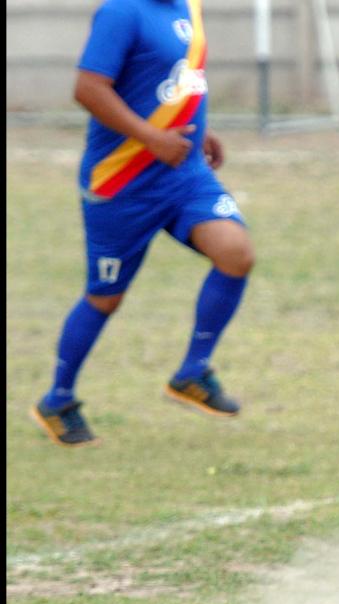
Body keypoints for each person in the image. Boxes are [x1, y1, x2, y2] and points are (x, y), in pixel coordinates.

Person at [30, 0, 253, 447]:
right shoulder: (121, 11)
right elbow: (88, 88)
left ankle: (191, 373)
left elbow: (170, 82)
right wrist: (151, 137)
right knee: (105, 298)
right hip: (122, 182)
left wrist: (196, 126)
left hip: (184, 174)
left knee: (235, 253)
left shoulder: (190, 6)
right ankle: (57, 399)